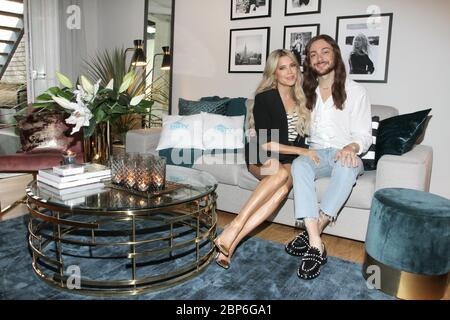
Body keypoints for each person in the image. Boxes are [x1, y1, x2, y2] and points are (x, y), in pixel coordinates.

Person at [214, 49, 317, 269]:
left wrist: (302, 153)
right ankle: (234, 225)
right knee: (278, 173)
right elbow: (265, 142)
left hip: (287, 158)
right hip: (261, 153)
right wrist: (303, 152)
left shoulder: (302, 98)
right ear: (274, 73)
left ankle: (229, 244)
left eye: (292, 65)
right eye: (282, 68)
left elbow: (300, 141)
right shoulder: (265, 97)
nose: (289, 71)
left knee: (282, 188)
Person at [285, 34, 372, 280]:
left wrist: (351, 148)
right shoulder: (304, 91)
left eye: (324, 52)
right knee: (299, 165)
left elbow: (364, 134)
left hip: (343, 153)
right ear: (309, 62)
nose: (319, 58)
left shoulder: (355, 91)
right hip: (314, 153)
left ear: (335, 54)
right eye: (313, 54)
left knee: (346, 166)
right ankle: (316, 243)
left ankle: (313, 233)